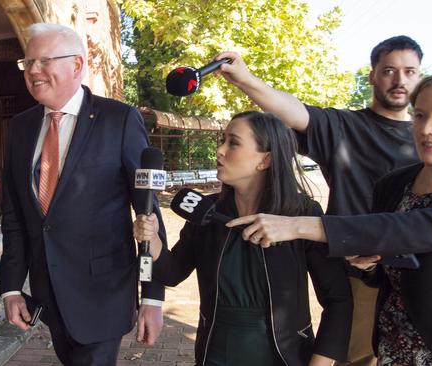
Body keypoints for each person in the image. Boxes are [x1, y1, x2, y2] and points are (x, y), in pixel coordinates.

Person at [228, 71, 432, 365]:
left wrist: (297, 225)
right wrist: (371, 260)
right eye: (421, 115)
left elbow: (427, 227)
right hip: (393, 345)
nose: (427, 128)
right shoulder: (394, 184)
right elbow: (390, 250)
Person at [215, 35, 423, 366]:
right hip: (361, 282)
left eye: (410, 71)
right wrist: (245, 78)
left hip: (422, 284)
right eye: (388, 70)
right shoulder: (344, 127)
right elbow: (293, 110)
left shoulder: (428, 140)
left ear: (420, 76)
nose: (399, 80)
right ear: (371, 74)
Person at [0, 23, 166, 365]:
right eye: (27, 63)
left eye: (44, 61)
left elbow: (148, 213)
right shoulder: (21, 127)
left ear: (76, 65)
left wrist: (152, 297)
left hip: (103, 294)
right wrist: (12, 287)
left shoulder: (118, 120)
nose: (33, 71)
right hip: (48, 296)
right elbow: (15, 216)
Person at [134, 111, 353, 366]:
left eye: (233, 143)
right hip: (215, 354)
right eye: (222, 140)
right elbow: (171, 272)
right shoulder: (205, 211)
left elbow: (339, 299)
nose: (220, 150)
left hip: (285, 356)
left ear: (266, 160)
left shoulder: (302, 216)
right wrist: (152, 240)